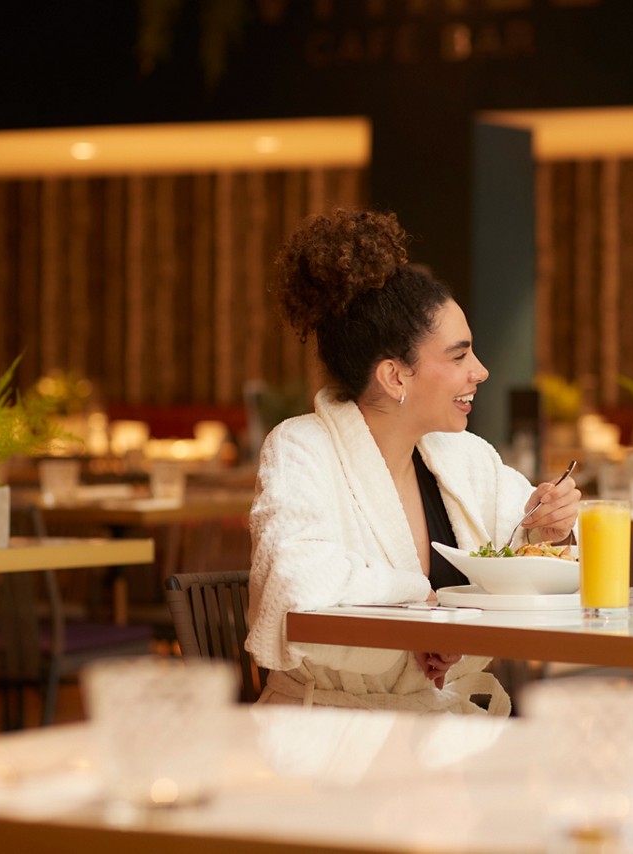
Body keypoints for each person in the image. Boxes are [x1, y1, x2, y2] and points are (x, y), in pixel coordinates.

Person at [246, 208, 579, 715]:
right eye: (459, 356)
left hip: (443, 736)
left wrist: (550, 531)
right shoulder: (300, 448)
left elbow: (521, 555)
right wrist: (424, 604)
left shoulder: (464, 457)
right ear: (395, 377)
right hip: (329, 736)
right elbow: (298, 587)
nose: (482, 371)